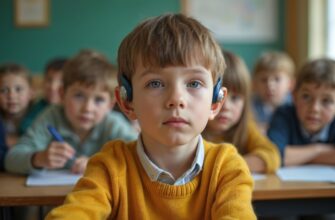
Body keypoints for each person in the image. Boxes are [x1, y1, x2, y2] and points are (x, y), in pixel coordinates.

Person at [46, 13, 256, 219]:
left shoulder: (228, 167)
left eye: (194, 83)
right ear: (127, 102)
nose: (176, 99)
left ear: (216, 102)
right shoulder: (109, 166)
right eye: (155, 83)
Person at [5, 49, 138, 175]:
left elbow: (140, 156)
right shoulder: (51, 116)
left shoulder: (112, 123)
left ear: (110, 104)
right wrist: (38, 158)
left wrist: (100, 163)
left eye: (98, 100)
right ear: (62, 94)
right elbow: (11, 159)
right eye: (79, 96)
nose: (88, 108)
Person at [267, 58, 335, 167]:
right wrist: (317, 150)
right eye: (306, 97)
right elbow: (272, 154)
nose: (314, 108)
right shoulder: (284, 115)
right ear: (294, 97)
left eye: (326, 101)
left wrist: (302, 157)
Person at [203, 50, 280, 173]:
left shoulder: (246, 128)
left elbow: (272, 156)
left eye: (235, 98)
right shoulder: (191, 131)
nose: (226, 106)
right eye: (217, 95)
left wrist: (227, 166)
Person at [252, 51, 295, 133]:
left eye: (277, 79)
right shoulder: (251, 105)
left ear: (290, 84)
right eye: (264, 80)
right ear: (255, 83)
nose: (270, 85)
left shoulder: (295, 105)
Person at [0, 63, 34, 146]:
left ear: (31, 93)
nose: (11, 96)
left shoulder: (39, 116)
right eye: (4, 90)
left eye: (18, 89)